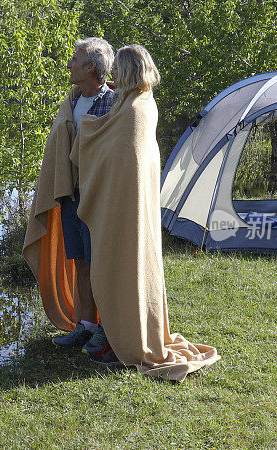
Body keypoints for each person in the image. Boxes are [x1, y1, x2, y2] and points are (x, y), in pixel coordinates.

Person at [68, 44, 219, 379]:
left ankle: (126, 341)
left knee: (125, 270)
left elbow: (124, 157)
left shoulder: (138, 107)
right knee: (114, 270)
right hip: (119, 207)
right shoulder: (130, 103)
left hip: (129, 211)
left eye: (119, 70)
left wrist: (88, 133)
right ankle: (112, 335)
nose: (114, 76)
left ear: (130, 71)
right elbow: (113, 150)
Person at [22, 37, 114, 355]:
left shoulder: (114, 103)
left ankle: (109, 328)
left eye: (76, 59)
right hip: (71, 196)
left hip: (99, 198)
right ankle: (85, 326)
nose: (70, 64)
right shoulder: (73, 100)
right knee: (81, 263)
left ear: (91, 66)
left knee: (102, 263)